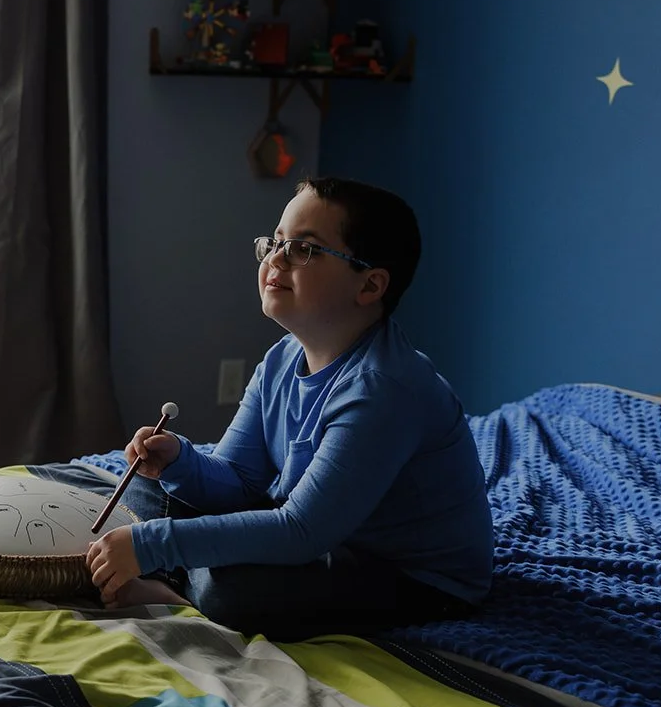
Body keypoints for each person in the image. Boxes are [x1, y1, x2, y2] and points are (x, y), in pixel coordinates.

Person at [86, 177, 492, 641]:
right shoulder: (282, 358)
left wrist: (155, 544)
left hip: (405, 572)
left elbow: (301, 530)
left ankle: (178, 592)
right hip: (320, 533)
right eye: (276, 243)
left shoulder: (385, 388)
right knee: (144, 490)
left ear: (370, 285)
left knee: (231, 589)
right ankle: (176, 575)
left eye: (304, 249)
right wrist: (177, 461)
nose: (276, 259)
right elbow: (239, 481)